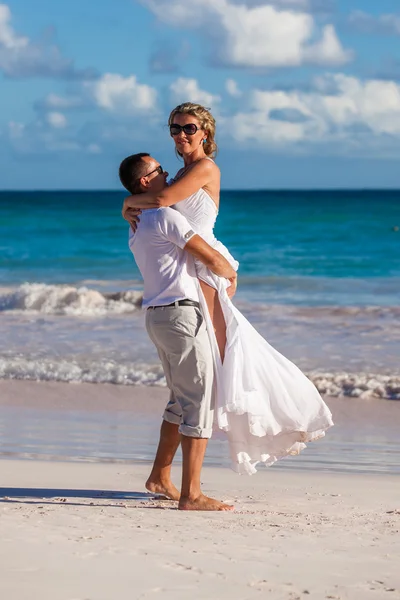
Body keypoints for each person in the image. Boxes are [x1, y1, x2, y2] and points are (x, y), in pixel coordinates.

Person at [122, 103, 334, 475]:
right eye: (174, 129)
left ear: (205, 132)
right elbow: (157, 205)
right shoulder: (174, 176)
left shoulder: (204, 168)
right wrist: (132, 204)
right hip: (191, 273)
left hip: (205, 268)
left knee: (224, 362)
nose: (180, 135)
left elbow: (159, 202)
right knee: (200, 378)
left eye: (188, 128)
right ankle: (162, 476)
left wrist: (127, 202)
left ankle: (283, 418)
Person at [119, 152, 236, 511]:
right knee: (199, 401)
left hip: (157, 315)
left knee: (179, 400)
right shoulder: (165, 217)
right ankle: (192, 494)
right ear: (145, 182)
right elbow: (210, 257)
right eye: (158, 170)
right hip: (181, 317)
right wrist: (230, 273)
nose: (166, 172)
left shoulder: (135, 224)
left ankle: (160, 477)